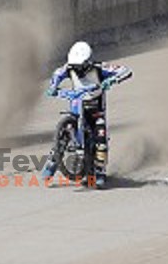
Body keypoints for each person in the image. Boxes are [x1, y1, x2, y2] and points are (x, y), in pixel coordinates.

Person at [41, 41, 132, 188]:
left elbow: (125, 71)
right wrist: (53, 87)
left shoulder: (100, 68)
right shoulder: (68, 68)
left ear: (88, 61)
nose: (76, 69)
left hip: (96, 110)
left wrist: (111, 80)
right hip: (76, 108)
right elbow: (57, 74)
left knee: (100, 137)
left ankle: (99, 171)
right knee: (64, 133)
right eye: (73, 65)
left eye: (79, 66)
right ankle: (52, 163)